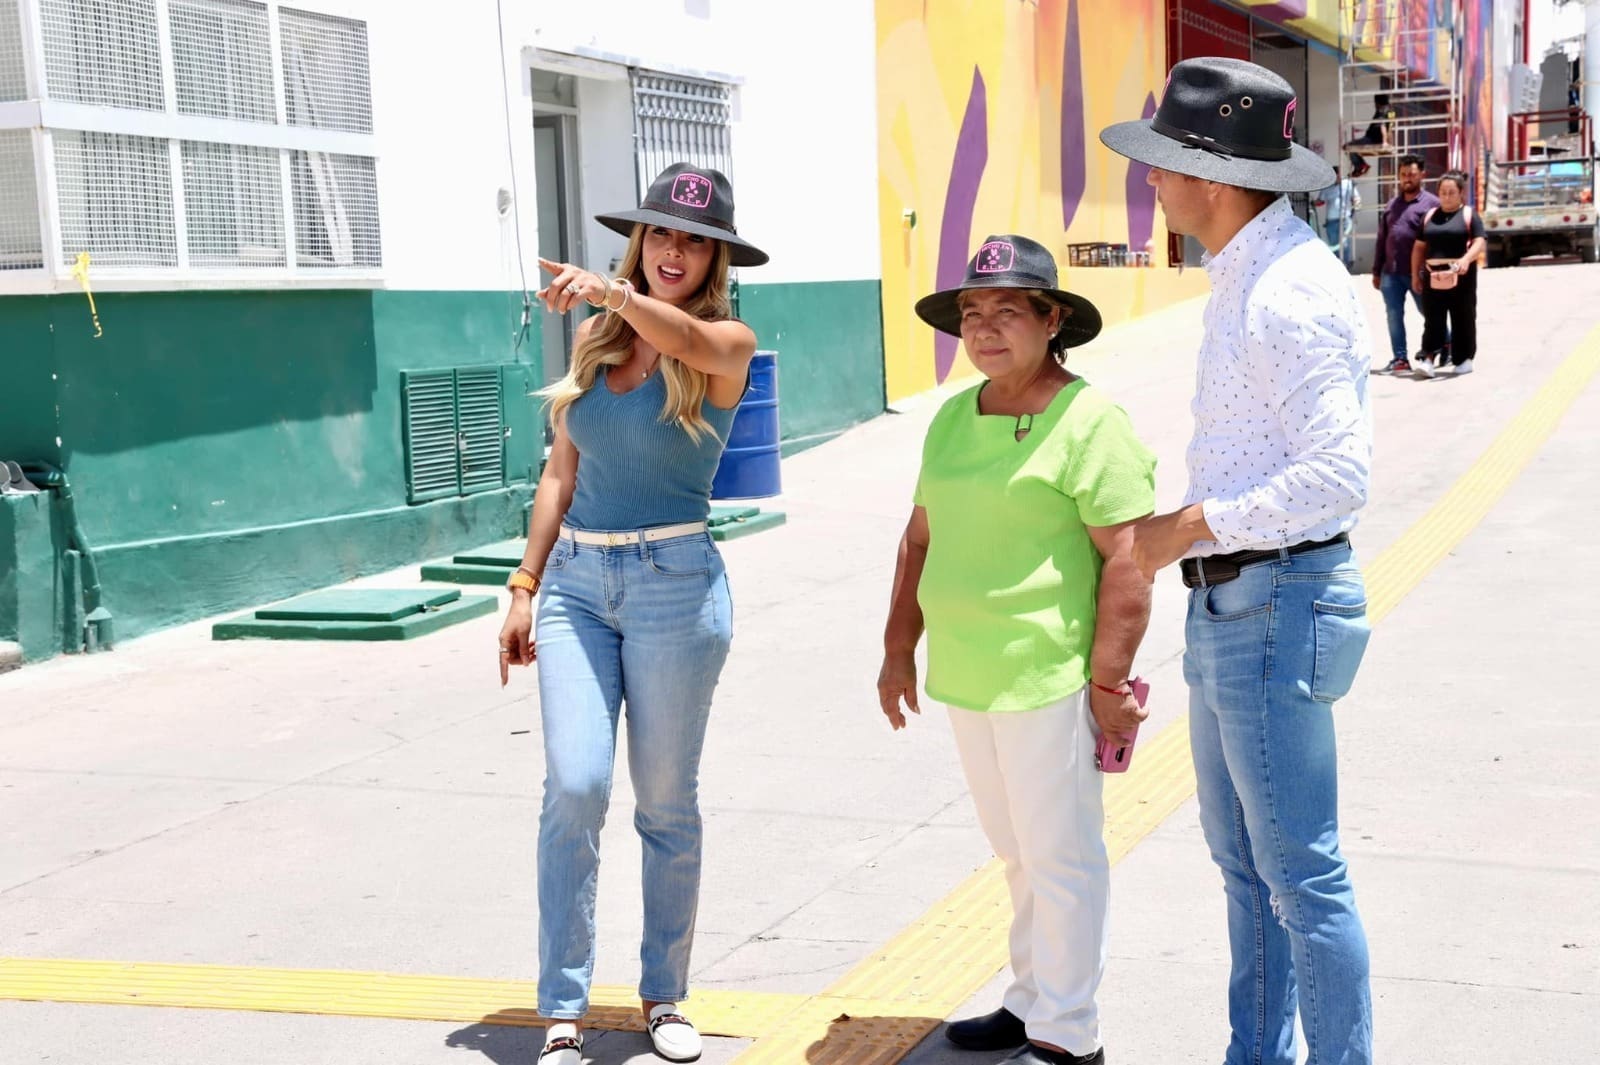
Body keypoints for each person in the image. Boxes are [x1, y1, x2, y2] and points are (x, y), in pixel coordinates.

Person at [1101, 57, 1376, 1065]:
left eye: (1163, 163)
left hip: (1275, 600)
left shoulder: (1286, 290)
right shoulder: (1244, 273)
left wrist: (1188, 525)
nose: (1150, 181)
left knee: (1299, 876)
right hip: (1238, 602)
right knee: (1247, 870)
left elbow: (1338, 475)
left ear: (1212, 179)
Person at [496, 162, 767, 1065]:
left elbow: (682, 333)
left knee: (665, 803)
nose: (673, 251)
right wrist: (524, 583)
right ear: (640, 241)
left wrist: (612, 292)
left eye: (693, 239)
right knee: (575, 787)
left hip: (674, 585)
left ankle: (663, 994)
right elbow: (560, 471)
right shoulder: (597, 340)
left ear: (716, 257)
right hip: (577, 584)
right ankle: (562, 1008)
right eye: (660, 233)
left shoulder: (724, 342)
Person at [877, 235, 1156, 1065]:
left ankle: (1069, 1036)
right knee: (1016, 852)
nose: (985, 327)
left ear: (1052, 319)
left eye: (1008, 310)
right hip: (969, 673)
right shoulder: (952, 418)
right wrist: (899, 647)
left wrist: (1108, 682)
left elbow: (1129, 561)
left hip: (1049, 676)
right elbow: (919, 538)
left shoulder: (1090, 421)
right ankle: (1031, 997)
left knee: (1061, 856)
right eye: (972, 312)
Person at [1411, 170, 1486, 377]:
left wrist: (1466, 259)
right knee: (1433, 319)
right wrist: (1415, 275)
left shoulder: (1469, 215)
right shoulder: (1429, 217)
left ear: (1461, 193)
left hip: (1461, 277)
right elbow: (1418, 247)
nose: (1447, 196)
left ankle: (1464, 359)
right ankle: (1428, 358)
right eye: (1443, 192)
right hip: (1433, 277)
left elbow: (1479, 241)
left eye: (1451, 192)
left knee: (1463, 317)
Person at [1372, 153, 1439, 375]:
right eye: (1403, 174)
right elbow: (1382, 238)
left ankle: (1445, 343)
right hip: (1391, 273)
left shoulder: (1432, 204)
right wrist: (1377, 270)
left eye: (1411, 174)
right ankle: (1400, 359)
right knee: (1393, 316)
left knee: (1429, 313)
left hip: (1418, 273)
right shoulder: (1392, 205)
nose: (1407, 178)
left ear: (1422, 175)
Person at [1317, 165, 1362, 264]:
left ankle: (1345, 265)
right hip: (1331, 221)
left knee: (1344, 244)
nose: (1337, 178)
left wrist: (1356, 205)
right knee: (1334, 245)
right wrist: (1313, 202)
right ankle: (1337, 266)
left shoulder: (1348, 184)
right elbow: (1320, 201)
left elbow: (1356, 198)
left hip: (1344, 220)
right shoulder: (1326, 187)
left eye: (1337, 175)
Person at [1343, 93, 1395, 178]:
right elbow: (1390, 128)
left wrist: (1385, 142)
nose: (1375, 105)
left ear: (1378, 102)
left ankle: (1360, 165)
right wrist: (1390, 143)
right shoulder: (1391, 112)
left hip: (1372, 139)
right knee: (1351, 147)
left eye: (1375, 103)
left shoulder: (1381, 111)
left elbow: (1382, 126)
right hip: (1375, 139)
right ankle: (1361, 165)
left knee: (1347, 146)